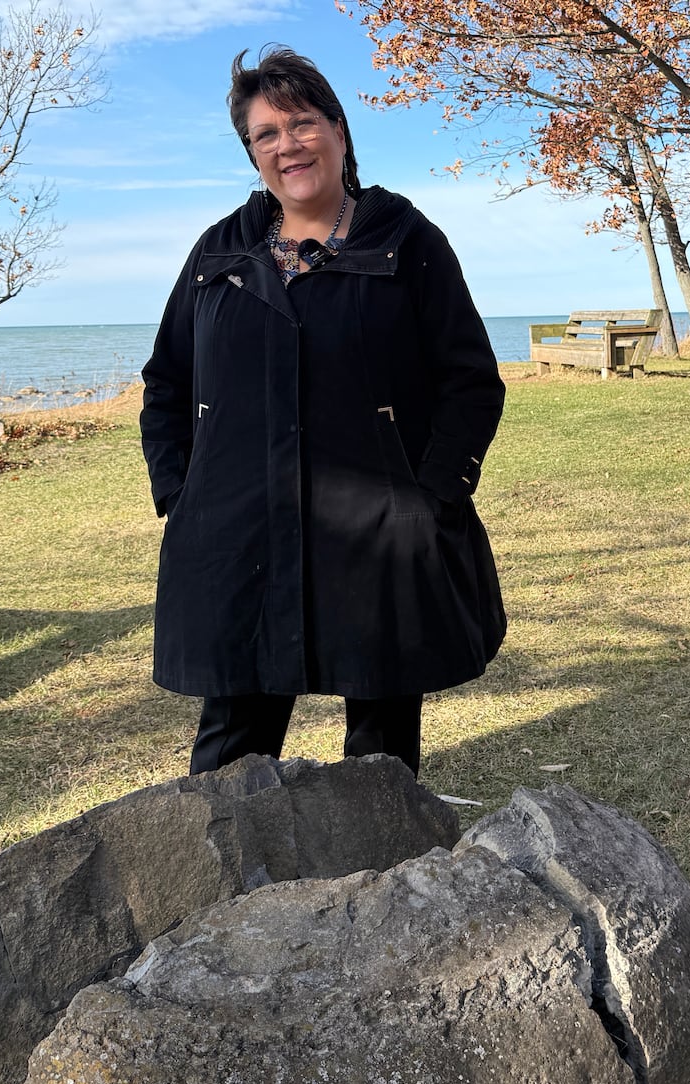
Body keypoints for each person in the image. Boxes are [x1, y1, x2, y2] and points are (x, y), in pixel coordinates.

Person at [140, 46, 506, 778]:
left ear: (339, 130)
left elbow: (471, 381)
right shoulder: (219, 252)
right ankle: (224, 889)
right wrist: (182, 493)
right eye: (265, 134)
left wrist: (431, 495)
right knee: (230, 754)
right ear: (251, 152)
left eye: (302, 123)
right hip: (239, 533)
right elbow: (166, 382)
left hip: (378, 538)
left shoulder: (407, 242)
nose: (287, 146)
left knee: (380, 755)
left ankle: (381, 888)